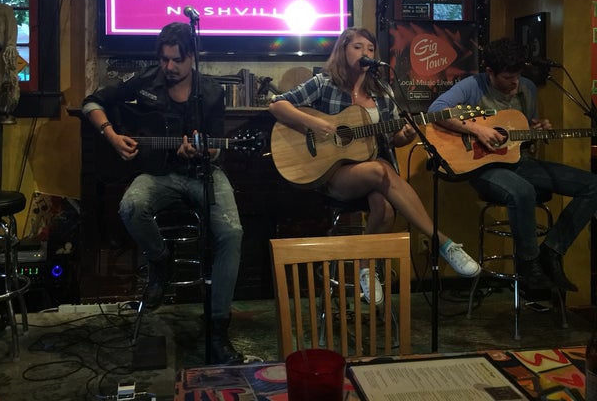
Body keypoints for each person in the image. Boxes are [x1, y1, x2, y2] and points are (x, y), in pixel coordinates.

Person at [268, 27, 480, 305]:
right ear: (343, 51)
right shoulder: (324, 83)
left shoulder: (382, 91)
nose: (365, 53)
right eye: (357, 47)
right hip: (332, 175)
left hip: (372, 173)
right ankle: (442, 242)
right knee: (379, 170)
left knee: (385, 209)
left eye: (370, 49)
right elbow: (277, 106)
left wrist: (404, 136)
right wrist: (315, 123)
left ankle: (364, 268)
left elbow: (390, 138)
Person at [81, 21, 244, 364]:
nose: (169, 68)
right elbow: (92, 103)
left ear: (192, 59)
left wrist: (203, 151)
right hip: (158, 174)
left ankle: (217, 329)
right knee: (130, 206)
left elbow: (217, 149)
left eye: (176, 61)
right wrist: (111, 135)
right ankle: (159, 261)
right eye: (164, 59)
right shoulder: (146, 83)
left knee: (232, 232)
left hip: (202, 173)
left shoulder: (212, 93)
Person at [427, 37, 597, 292]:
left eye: (517, 75)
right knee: (522, 190)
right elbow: (435, 111)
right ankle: (528, 265)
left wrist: (537, 130)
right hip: (482, 167)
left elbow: (520, 130)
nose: (514, 82)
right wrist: (477, 130)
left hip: (518, 161)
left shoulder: (527, 88)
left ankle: (551, 251)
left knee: (592, 184)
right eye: (508, 77)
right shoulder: (473, 86)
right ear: (490, 73)